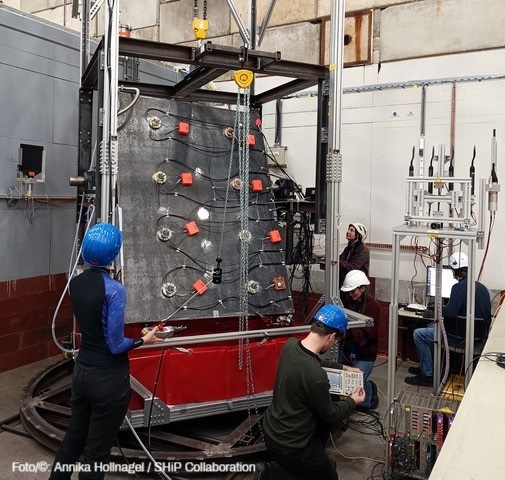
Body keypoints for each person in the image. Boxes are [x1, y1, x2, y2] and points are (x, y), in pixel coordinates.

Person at [49, 223, 163, 480]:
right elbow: (115, 345)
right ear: (114, 255)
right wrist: (145, 340)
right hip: (108, 380)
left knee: (73, 439)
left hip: (82, 374)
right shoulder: (115, 290)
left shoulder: (74, 283)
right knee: (96, 454)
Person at [259, 304, 366, 480]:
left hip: (272, 429)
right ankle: (272, 472)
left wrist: (343, 367)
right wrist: (353, 401)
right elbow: (331, 415)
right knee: (329, 476)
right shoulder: (316, 376)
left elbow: (314, 362)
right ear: (332, 337)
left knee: (321, 438)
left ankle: (311, 463)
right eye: (336, 340)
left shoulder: (290, 345)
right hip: (291, 446)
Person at [405, 252, 492, 387]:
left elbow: (450, 312)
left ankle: (427, 375)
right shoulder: (483, 288)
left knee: (419, 334)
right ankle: (427, 367)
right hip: (478, 338)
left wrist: (440, 307)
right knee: (430, 327)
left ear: (454, 271)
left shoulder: (458, 287)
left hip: (458, 338)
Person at [339, 270, 380, 410]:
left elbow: (368, 335)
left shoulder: (374, 307)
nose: (350, 295)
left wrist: (347, 331)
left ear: (362, 288)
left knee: (354, 389)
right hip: (347, 348)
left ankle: (370, 391)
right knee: (340, 382)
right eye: (348, 292)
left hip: (365, 353)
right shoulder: (348, 301)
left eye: (353, 292)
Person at [339, 222, 370, 288]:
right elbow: (341, 260)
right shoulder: (348, 248)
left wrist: (337, 261)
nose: (348, 232)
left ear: (359, 235)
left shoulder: (364, 250)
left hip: (358, 287)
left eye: (351, 230)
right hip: (347, 283)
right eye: (348, 229)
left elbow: (353, 267)